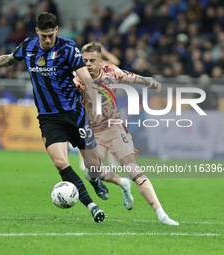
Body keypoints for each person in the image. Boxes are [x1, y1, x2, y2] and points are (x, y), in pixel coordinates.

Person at [0, 12, 108, 223]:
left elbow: (86, 79)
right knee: (60, 162)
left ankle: (95, 179)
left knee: (94, 166)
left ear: (56, 31)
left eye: (50, 36)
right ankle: (92, 206)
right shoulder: (28, 46)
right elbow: (7, 59)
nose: (47, 40)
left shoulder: (68, 48)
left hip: (74, 113)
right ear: (37, 31)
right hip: (48, 117)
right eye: (43, 36)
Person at [73, 42, 179, 226]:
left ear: (100, 60)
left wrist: (148, 81)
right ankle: (122, 183)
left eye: (92, 60)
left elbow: (131, 77)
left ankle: (162, 215)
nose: (88, 64)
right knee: (92, 172)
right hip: (93, 132)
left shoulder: (111, 71)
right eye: (85, 61)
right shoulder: (77, 78)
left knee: (133, 170)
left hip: (114, 129)